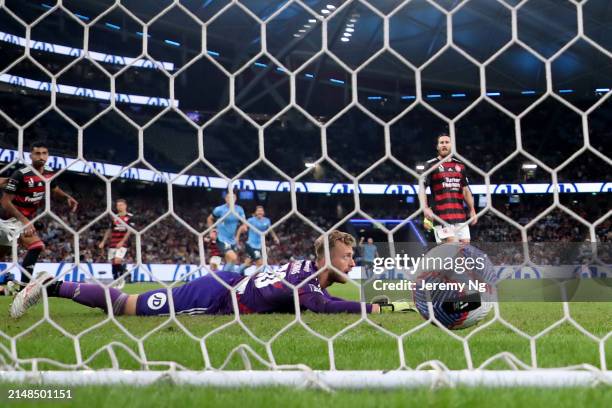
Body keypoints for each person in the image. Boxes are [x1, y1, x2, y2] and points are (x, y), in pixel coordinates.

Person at [10, 230, 414, 318]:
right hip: (216, 296)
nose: (351, 263)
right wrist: (372, 308)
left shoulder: (307, 269)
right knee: (128, 307)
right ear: (327, 258)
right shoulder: (307, 280)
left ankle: (54, 285)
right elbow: (324, 306)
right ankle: (52, 284)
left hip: (227, 286)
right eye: (346, 257)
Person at [0, 141, 78, 290]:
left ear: (48, 155)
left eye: (44, 153)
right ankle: (21, 289)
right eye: (37, 153)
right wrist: (25, 221)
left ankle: (22, 289)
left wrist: (67, 197)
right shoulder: (20, 174)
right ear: (31, 156)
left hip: (21, 220)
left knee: (36, 246)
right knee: (31, 246)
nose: (41, 156)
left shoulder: (48, 172)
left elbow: (54, 188)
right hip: (7, 219)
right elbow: (4, 202)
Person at [419, 132, 477, 244]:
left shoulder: (460, 166)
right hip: (441, 216)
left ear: (452, 145)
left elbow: (466, 190)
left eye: (447, 142)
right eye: (441, 143)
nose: (444, 145)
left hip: (460, 216)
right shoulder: (430, 165)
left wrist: (472, 210)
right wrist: (425, 207)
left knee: (464, 247)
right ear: (437, 146)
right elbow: (422, 188)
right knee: (451, 245)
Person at [98, 199, 134, 289]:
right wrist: (103, 241)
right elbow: (109, 230)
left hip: (123, 243)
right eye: (118, 205)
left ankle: (122, 278)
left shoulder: (130, 217)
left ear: (125, 206)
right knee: (113, 263)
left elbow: (130, 230)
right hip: (113, 242)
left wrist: (122, 242)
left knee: (117, 260)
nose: (119, 207)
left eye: (121, 205)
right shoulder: (114, 217)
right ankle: (116, 280)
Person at [206, 191, 245, 271]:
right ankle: (221, 277)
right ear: (226, 199)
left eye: (233, 197)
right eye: (229, 198)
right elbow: (209, 218)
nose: (231, 199)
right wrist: (211, 231)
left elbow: (244, 223)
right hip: (221, 238)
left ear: (235, 199)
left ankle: (223, 279)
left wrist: (242, 229)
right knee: (233, 257)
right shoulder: (219, 209)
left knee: (230, 261)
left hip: (232, 239)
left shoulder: (239, 209)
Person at [236, 205, 279, 270]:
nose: (260, 212)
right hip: (251, 246)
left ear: (263, 212)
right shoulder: (251, 220)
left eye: (261, 211)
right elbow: (241, 228)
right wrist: (237, 238)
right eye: (258, 211)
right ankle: (256, 278)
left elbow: (270, 230)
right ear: (255, 212)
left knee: (248, 263)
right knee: (260, 263)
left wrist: (275, 237)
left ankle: (238, 272)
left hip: (261, 246)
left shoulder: (267, 221)